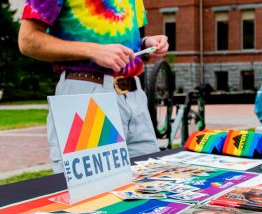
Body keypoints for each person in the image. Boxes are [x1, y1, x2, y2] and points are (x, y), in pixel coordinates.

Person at [18, 0, 169, 173]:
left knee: (149, 187)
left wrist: (144, 43)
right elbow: (27, 40)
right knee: (94, 194)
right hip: (88, 97)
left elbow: (112, 36)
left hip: (135, 97)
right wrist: (93, 50)